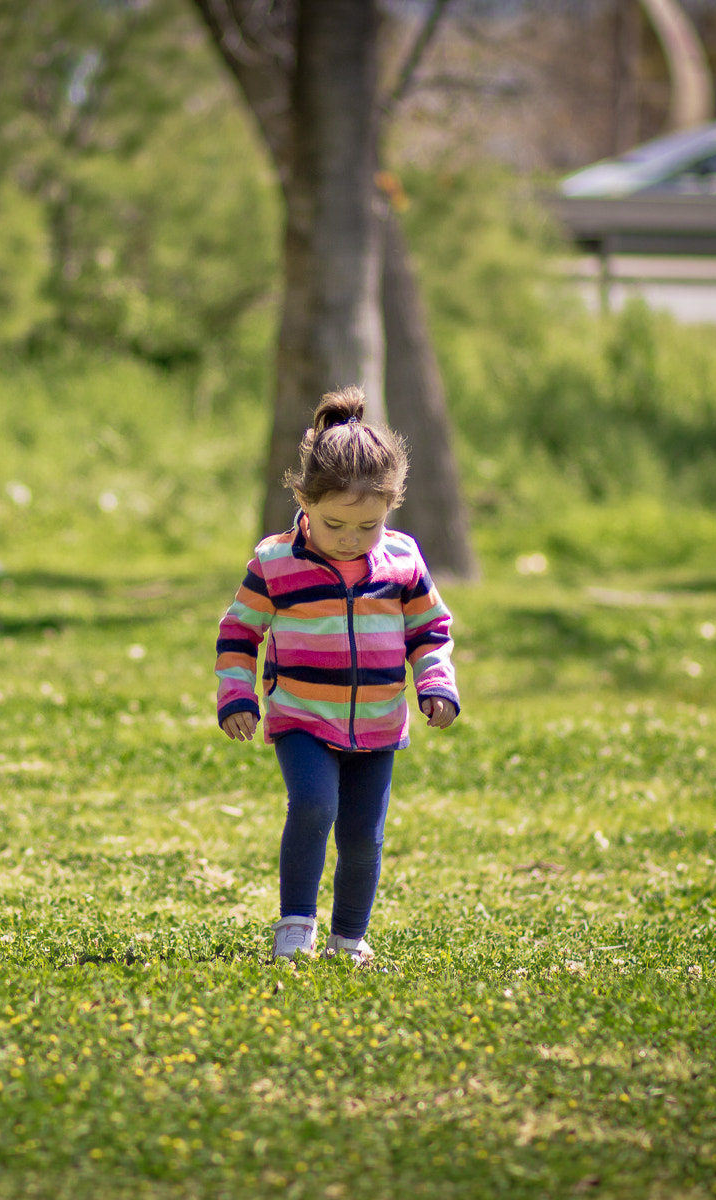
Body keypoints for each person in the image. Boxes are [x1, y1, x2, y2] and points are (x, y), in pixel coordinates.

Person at [215, 387, 459, 965]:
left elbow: (430, 630)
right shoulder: (275, 563)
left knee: (362, 838)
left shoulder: (402, 560)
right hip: (301, 715)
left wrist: (435, 683)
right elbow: (239, 631)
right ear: (303, 498)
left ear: (391, 508)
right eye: (334, 525)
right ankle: (296, 924)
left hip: (378, 723)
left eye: (367, 526)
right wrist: (237, 694)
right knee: (315, 806)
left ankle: (349, 937)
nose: (351, 539)